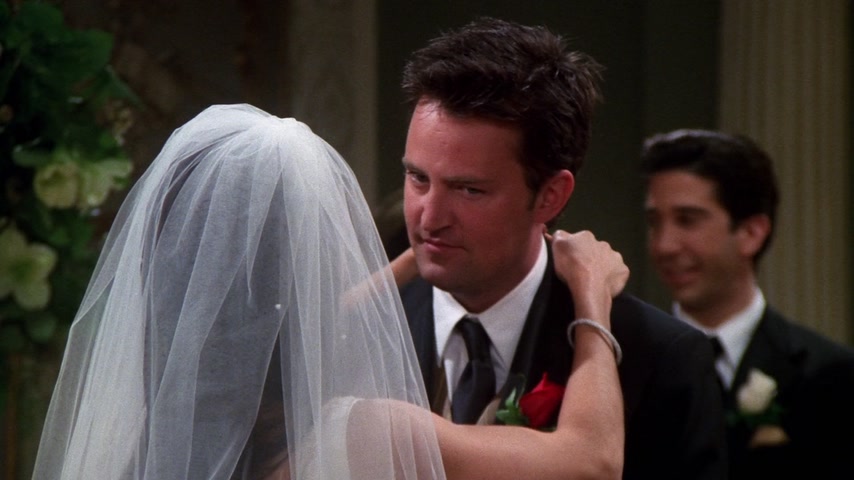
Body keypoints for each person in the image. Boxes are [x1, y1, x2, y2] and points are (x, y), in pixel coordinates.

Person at [32, 104, 629, 479]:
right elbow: (591, 460)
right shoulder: (365, 436)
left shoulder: (142, 434)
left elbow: (289, 311)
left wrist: (413, 262)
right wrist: (591, 297)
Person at [397, 17, 727, 480]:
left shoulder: (660, 357)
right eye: (418, 178)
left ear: (550, 197)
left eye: (469, 190)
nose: (430, 217)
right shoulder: (359, 331)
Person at [641, 128, 854, 479]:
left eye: (687, 220)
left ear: (752, 233)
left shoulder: (829, 375)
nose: (664, 245)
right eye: (654, 222)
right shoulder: (629, 366)